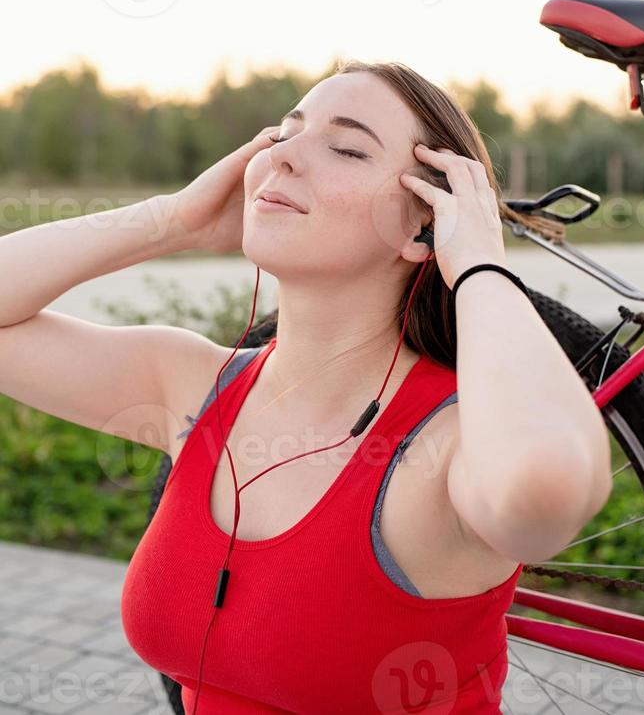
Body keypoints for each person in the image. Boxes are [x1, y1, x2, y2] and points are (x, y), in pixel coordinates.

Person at [0, 59, 613, 714]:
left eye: (346, 148)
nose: (285, 156)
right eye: (283, 133)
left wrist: (481, 267)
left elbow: (546, 491)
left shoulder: (442, 447)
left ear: (423, 226)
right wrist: (170, 221)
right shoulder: (188, 383)